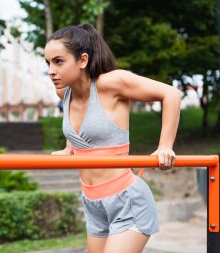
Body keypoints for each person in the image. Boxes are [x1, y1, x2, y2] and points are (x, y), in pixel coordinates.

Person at [46, 24, 181, 253]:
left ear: (82, 60)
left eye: (58, 61)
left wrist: (164, 147)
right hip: (92, 203)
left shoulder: (112, 83)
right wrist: (69, 148)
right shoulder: (64, 93)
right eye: (47, 63)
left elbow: (172, 94)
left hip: (126, 201)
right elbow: (80, 130)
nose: (51, 70)